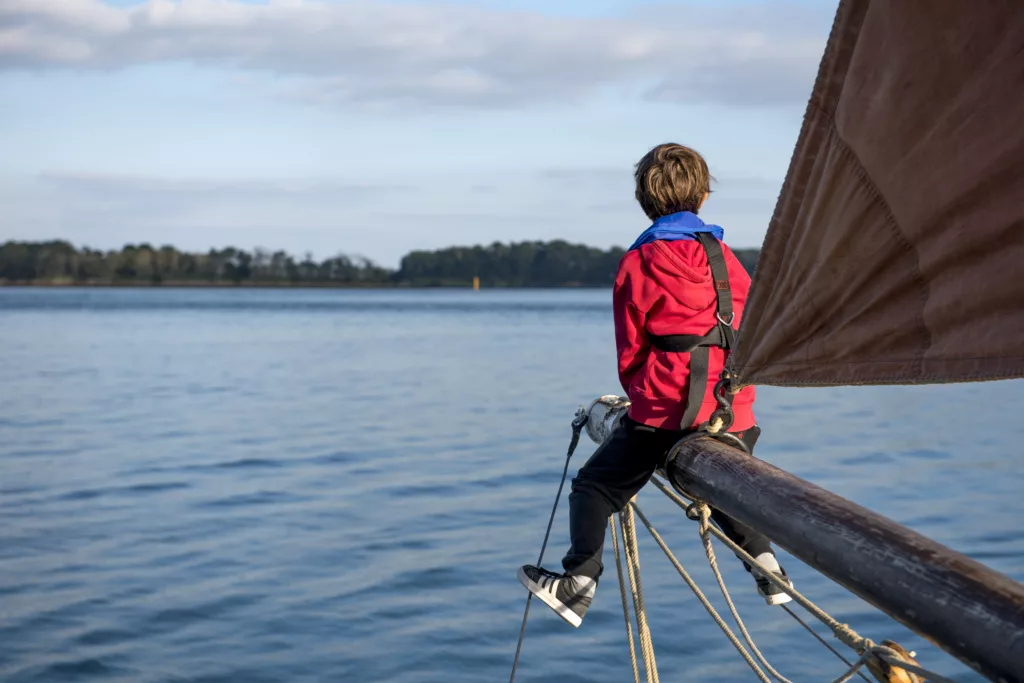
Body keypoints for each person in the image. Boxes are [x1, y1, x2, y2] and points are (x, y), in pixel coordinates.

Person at [518, 143, 792, 628]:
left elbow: (631, 355)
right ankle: (770, 571)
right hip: (735, 413)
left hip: (664, 418)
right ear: (704, 196)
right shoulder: (730, 261)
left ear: (644, 201)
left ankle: (577, 583)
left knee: (595, 486)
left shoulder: (639, 262)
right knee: (724, 485)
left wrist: (644, 400)